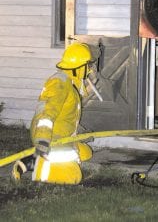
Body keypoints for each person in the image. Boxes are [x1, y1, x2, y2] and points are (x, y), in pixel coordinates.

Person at [12, 42, 97, 185]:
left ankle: (41, 158)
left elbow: (68, 116)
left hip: (64, 136)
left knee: (86, 153)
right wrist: (42, 140)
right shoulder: (58, 84)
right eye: (87, 66)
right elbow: (45, 114)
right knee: (72, 177)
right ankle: (35, 165)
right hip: (50, 137)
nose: (89, 70)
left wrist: (80, 133)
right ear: (78, 67)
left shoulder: (71, 83)